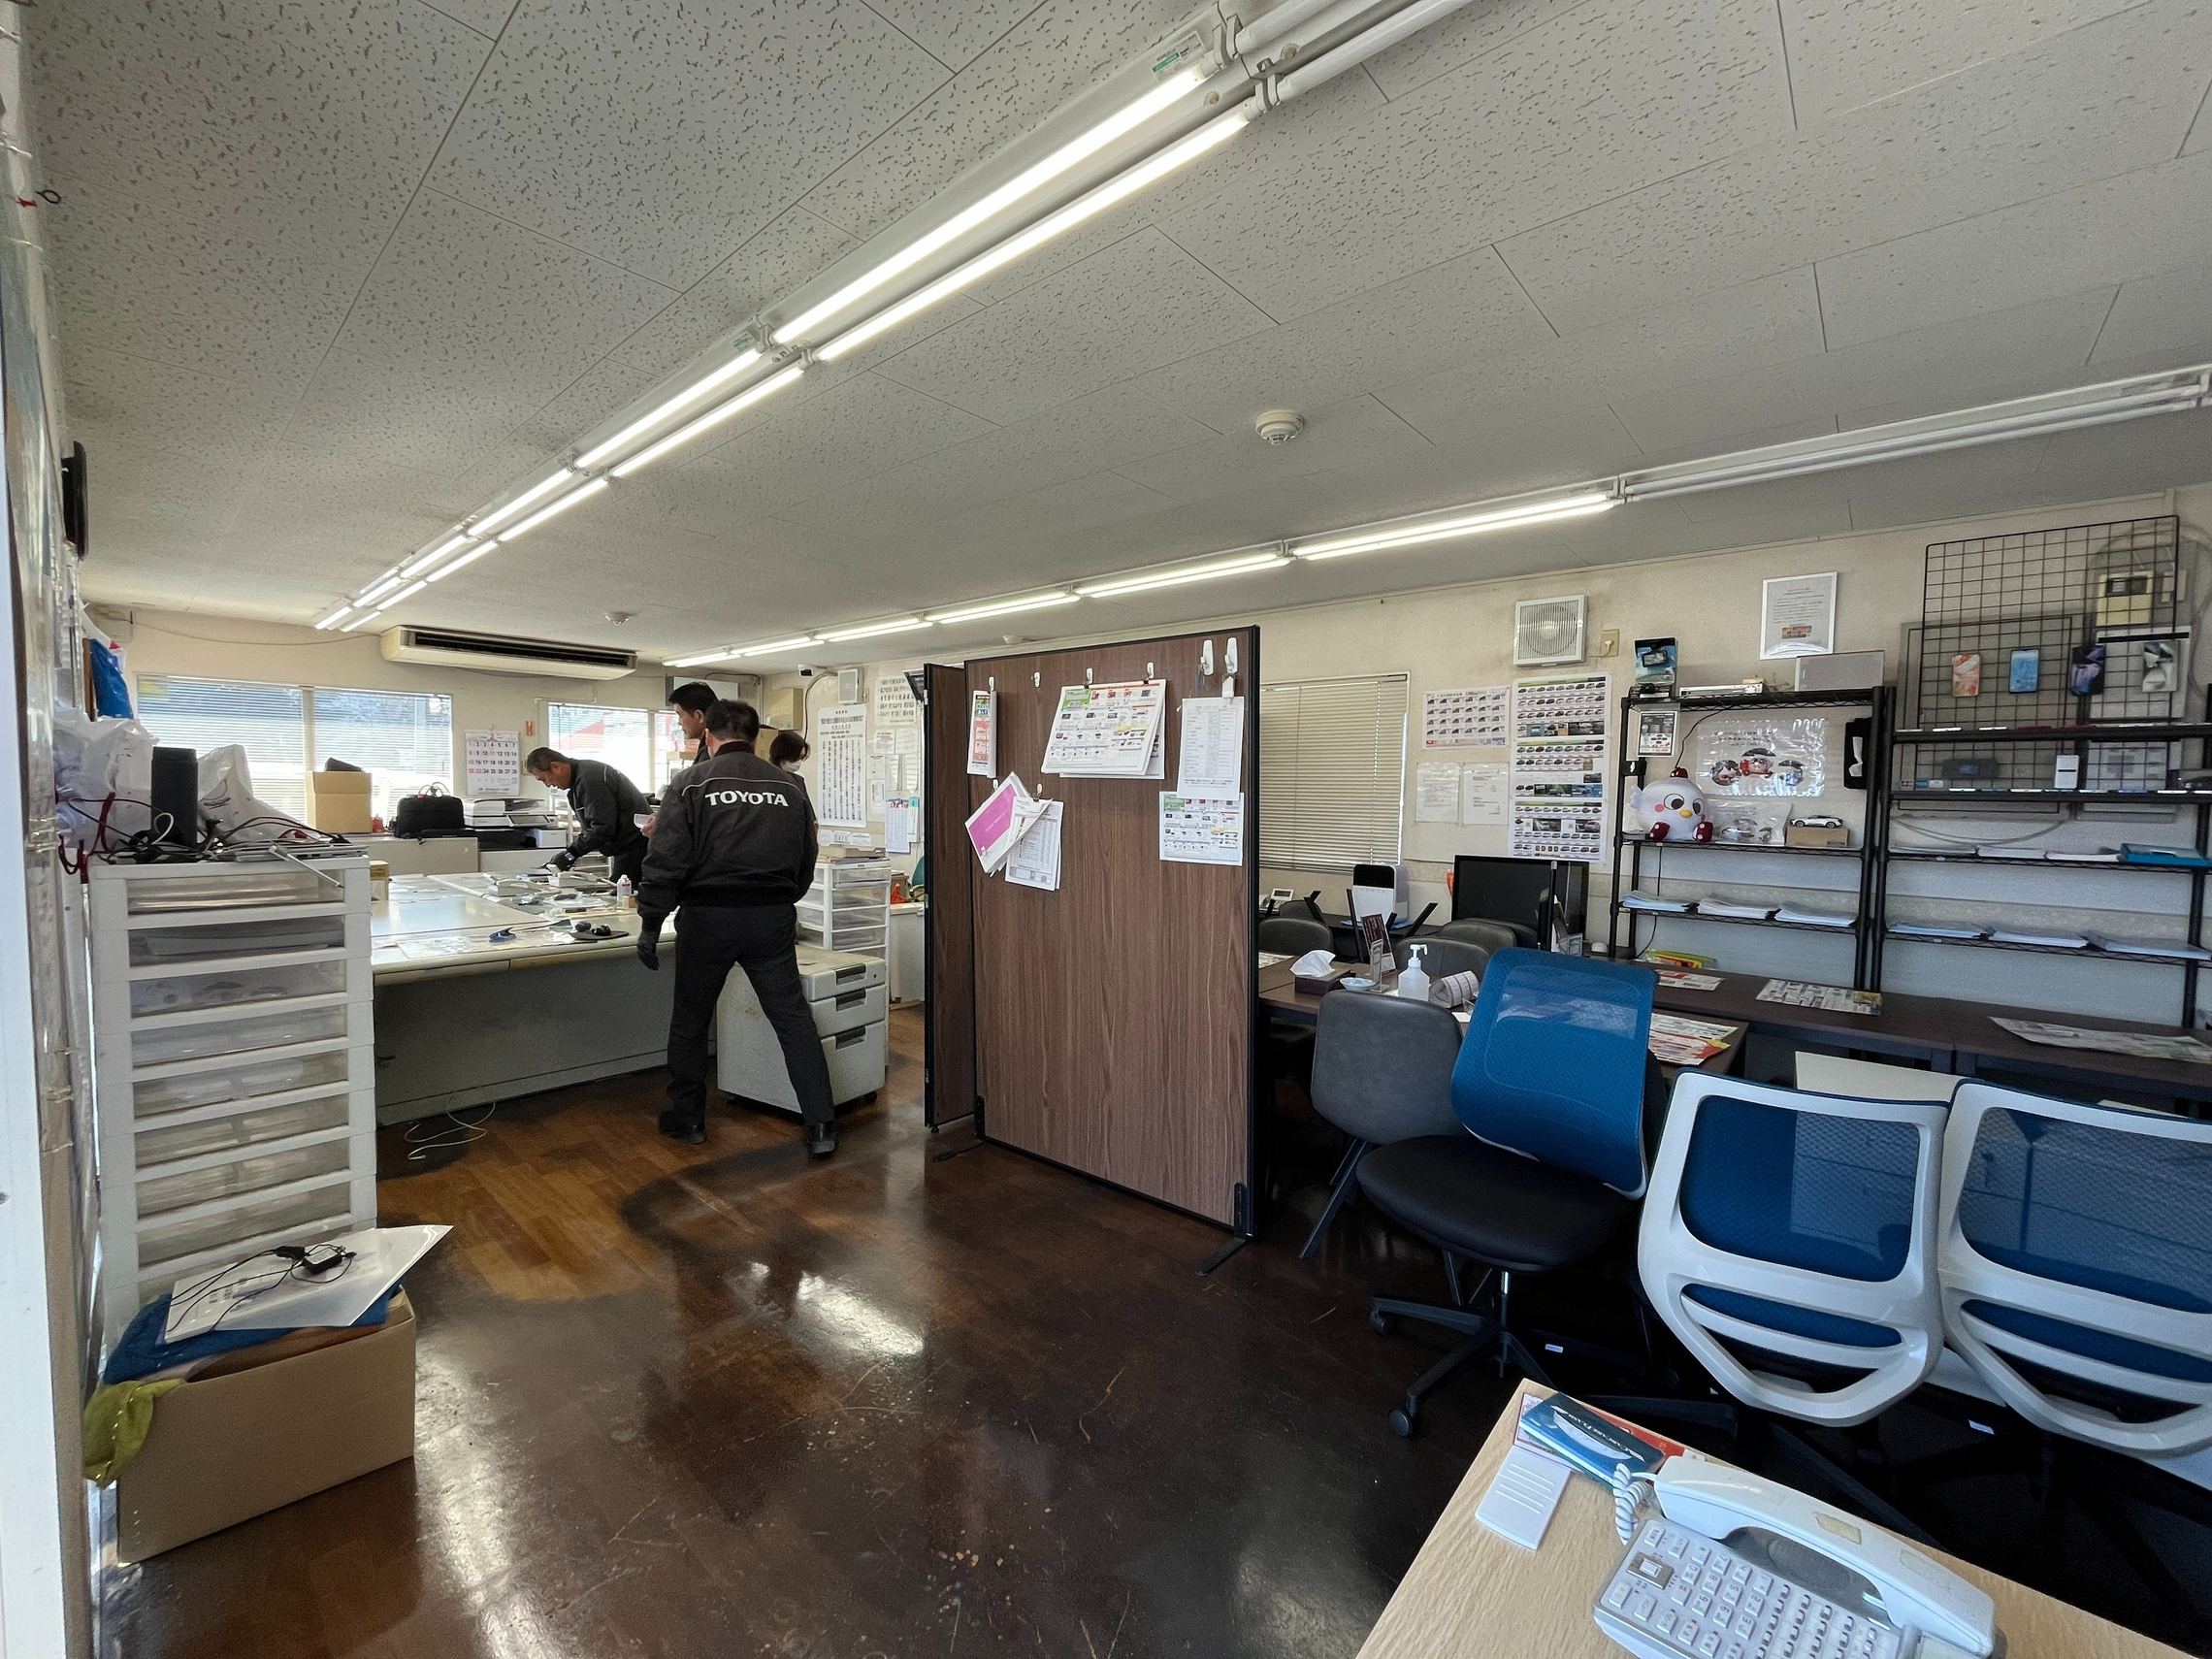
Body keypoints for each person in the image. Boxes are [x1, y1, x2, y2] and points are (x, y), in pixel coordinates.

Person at [635, 699, 837, 1155]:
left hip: (707, 918)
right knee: (793, 1020)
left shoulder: (691, 783)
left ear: (708, 735)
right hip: (771, 917)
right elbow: (806, 857)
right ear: (755, 736)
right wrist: (781, 898)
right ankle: (822, 1126)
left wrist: (651, 922)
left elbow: (666, 859)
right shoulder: (789, 788)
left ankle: (689, 1120)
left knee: (691, 1022)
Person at [525, 747, 648, 886]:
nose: (548, 785)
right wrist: (570, 854)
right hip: (626, 847)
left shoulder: (591, 779)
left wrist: (570, 854)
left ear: (556, 767)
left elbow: (602, 828)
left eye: (544, 779)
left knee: (623, 893)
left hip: (635, 846)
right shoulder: (580, 778)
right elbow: (593, 826)